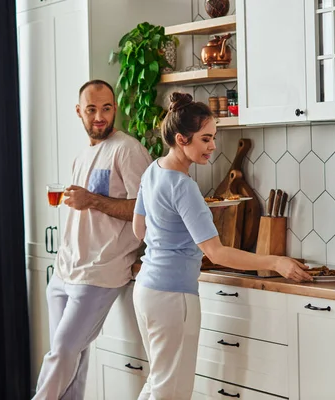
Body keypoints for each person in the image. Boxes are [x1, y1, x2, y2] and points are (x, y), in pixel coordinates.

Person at [132, 92, 312, 400]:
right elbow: (215, 253)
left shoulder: (154, 170)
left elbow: (139, 230)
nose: (213, 146)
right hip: (174, 297)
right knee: (171, 392)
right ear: (181, 138)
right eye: (205, 139)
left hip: (147, 291)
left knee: (158, 383)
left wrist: (181, 227)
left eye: (213, 137)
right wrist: (275, 262)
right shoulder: (184, 187)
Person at [33, 79, 152, 400]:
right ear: (79, 112)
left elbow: (144, 209)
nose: (99, 116)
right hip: (64, 271)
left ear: (115, 109)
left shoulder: (127, 150)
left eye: (106, 108)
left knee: (62, 351)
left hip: (100, 272)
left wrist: (93, 201)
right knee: (74, 359)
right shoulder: (83, 155)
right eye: (92, 109)